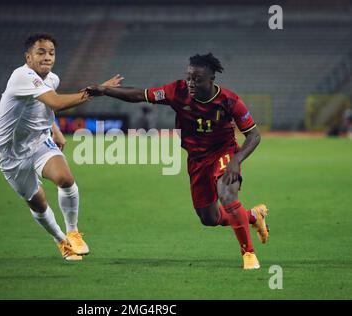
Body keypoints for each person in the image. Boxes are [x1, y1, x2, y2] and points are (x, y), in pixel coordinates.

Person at [86, 53, 269, 269]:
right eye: (189, 77)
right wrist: (105, 90)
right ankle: (252, 216)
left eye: (197, 79)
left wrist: (236, 160)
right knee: (208, 218)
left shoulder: (230, 101)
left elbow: (254, 135)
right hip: (197, 159)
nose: (191, 83)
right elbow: (140, 95)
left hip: (224, 152)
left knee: (228, 194)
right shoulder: (178, 91)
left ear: (211, 79)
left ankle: (248, 254)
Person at [0, 33, 123, 261]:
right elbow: (55, 102)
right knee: (38, 203)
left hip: (38, 142)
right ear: (28, 56)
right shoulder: (22, 76)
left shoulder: (52, 79)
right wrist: (98, 90)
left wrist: (55, 130)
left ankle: (73, 233)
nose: (47, 57)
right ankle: (60, 240)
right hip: (10, 154)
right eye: (41, 52)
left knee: (65, 179)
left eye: (51, 53)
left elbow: (45, 107)